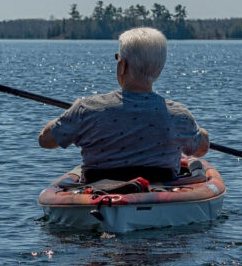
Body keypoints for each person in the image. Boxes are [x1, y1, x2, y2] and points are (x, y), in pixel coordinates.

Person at [38, 26, 209, 183]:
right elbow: (201, 149)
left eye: (117, 58)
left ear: (123, 65)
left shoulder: (86, 109)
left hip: (99, 191)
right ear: (159, 69)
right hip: (159, 190)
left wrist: (72, 113)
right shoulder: (180, 116)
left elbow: (45, 140)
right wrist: (199, 132)